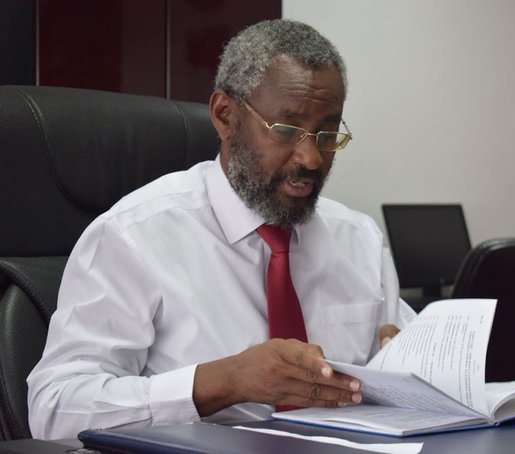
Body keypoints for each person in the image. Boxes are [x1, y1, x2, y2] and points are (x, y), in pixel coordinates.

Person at [27, 19, 416, 440]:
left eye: (326, 134)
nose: (311, 158)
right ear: (225, 115)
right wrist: (222, 381)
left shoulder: (359, 239)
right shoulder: (134, 235)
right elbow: (55, 408)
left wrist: (414, 367)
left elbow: (411, 364)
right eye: (287, 131)